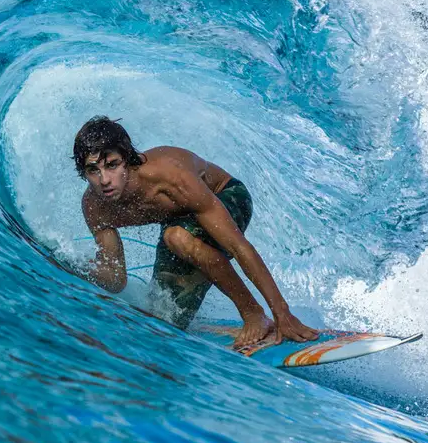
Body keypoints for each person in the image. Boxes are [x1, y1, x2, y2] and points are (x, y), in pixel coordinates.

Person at [72, 116, 319, 348]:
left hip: (227, 197)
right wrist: (75, 266)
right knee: (164, 315)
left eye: (112, 165)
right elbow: (116, 278)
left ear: (127, 159)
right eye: (93, 170)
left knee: (177, 237)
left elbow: (238, 246)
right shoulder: (95, 207)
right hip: (179, 225)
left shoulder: (169, 178)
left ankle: (254, 314)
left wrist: (282, 312)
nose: (104, 180)